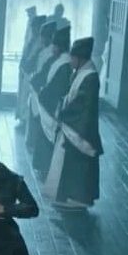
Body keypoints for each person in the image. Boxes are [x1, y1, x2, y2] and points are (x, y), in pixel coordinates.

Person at [43, 36, 104, 210]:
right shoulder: (82, 72)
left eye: (72, 57)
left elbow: (83, 105)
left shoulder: (90, 77)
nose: (70, 60)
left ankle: (78, 197)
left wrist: (63, 113)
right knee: (70, 162)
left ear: (80, 58)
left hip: (81, 128)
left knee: (78, 162)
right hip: (75, 124)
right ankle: (70, 195)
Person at [31, 24, 72, 178]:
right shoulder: (58, 60)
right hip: (52, 103)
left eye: (55, 45)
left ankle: (47, 169)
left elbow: (55, 90)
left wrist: (42, 94)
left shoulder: (64, 65)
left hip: (56, 107)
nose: (52, 48)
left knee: (49, 137)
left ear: (60, 46)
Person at [25, 20, 57, 152]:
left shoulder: (52, 53)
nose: (41, 39)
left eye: (43, 36)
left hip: (43, 90)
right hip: (36, 88)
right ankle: (32, 143)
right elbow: (28, 67)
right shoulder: (42, 50)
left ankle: (37, 146)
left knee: (41, 119)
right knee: (35, 116)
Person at [16, 13, 47, 127]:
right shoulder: (32, 39)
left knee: (28, 96)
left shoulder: (41, 43)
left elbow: (35, 58)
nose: (33, 30)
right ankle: (22, 117)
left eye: (35, 28)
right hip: (26, 70)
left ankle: (25, 119)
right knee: (22, 95)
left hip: (32, 72)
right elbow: (26, 54)